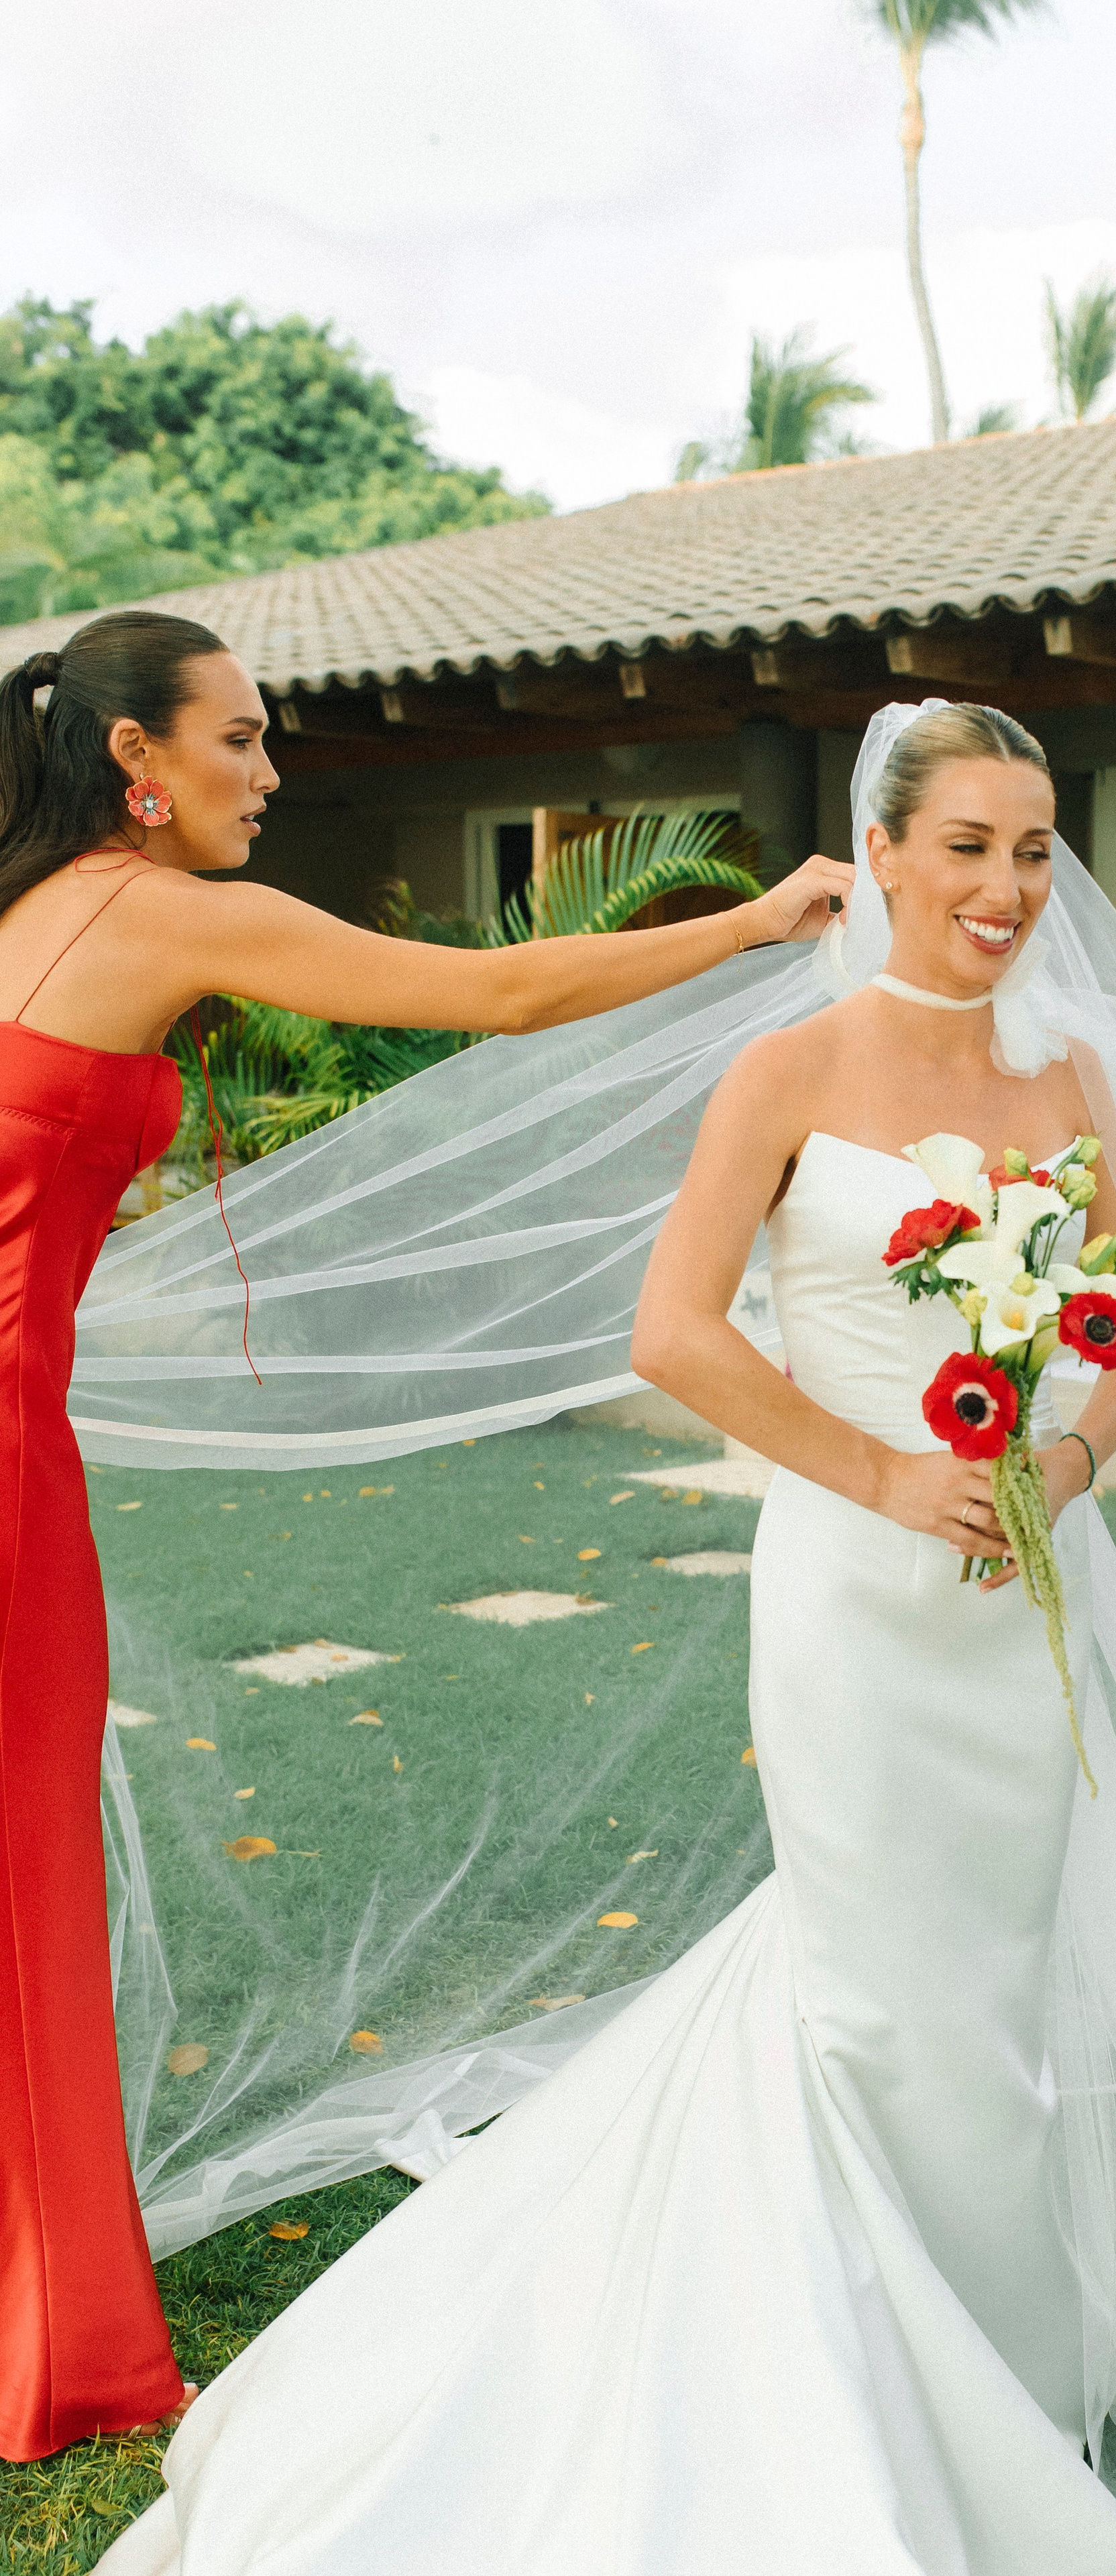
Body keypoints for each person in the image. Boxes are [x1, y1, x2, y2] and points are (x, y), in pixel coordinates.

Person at [96, 704, 1116, 2576]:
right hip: (858, 1603)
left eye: (1035, 851)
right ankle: (840, 2392)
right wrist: (881, 1469)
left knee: (999, 2004)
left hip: (1025, 1611)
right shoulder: (784, 1071)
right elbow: (677, 1334)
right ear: (881, 853)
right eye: (968, 847)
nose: (1008, 889)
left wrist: (1068, 1446)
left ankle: (997, 2382)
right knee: (875, 1995)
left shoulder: (1084, 1086)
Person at [0, 608, 849, 2463]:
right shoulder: (158, 912)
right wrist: (747, 923)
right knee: (23, 1887)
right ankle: (56, 2347)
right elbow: (500, 997)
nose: (272, 769)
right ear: (137, 760)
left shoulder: (27, 918)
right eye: (241, 739)